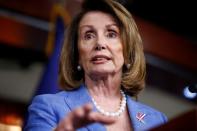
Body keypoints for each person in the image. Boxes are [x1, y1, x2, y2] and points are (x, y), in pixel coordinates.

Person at [24, 0, 167, 130]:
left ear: (128, 51)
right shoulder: (47, 107)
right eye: (88, 35)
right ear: (78, 56)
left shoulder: (157, 120)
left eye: (111, 34)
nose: (99, 43)